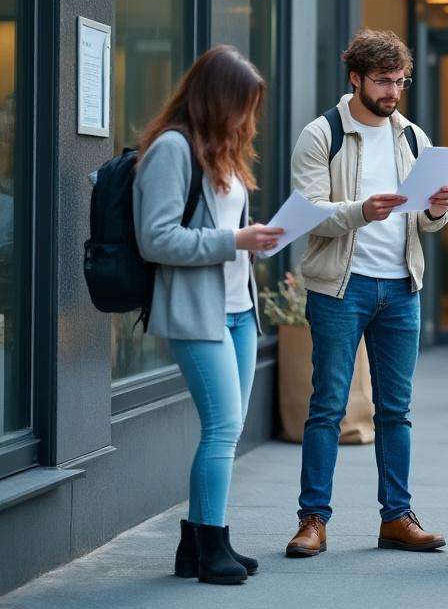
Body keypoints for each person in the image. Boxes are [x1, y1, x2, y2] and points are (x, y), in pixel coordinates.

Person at [287, 29, 448, 558]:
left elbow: (429, 223)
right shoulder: (322, 134)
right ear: (355, 77)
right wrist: (364, 210)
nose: (392, 92)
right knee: (328, 405)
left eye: (400, 81)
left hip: (401, 287)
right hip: (341, 286)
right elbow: (309, 213)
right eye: (383, 81)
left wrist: (437, 208)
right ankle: (313, 519)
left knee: (396, 409)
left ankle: (396, 517)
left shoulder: (412, 137)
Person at [133, 46, 282, 585]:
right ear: (217, 100)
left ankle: (197, 545)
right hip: (198, 314)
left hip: (239, 311)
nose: (249, 119)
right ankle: (210, 545)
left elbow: (221, 232)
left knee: (227, 429)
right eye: (243, 106)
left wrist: (253, 241)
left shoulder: (221, 154)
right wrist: (233, 239)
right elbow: (157, 239)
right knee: (221, 429)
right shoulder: (172, 149)